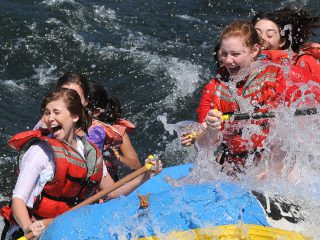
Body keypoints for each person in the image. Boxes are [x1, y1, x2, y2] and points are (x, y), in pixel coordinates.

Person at [1, 89, 162, 239]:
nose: (50, 118)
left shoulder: (90, 153)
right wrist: (28, 227)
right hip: (31, 230)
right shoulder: (39, 151)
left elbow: (112, 192)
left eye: (56, 112)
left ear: (75, 116)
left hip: (67, 229)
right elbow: (18, 199)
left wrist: (146, 174)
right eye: (47, 113)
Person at [193, 21, 319, 174]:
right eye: (224, 54)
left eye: (235, 54)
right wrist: (211, 130)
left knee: (280, 143)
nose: (228, 61)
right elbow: (204, 145)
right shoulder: (214, 89)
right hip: (235, 163)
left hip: (277, 162)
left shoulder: (280, 74)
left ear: (254, 50)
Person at [87, 81, 141, 181]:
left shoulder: (114, 130)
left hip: (108, 187)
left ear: (96, 112)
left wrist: (117, 158)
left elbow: (137, 165)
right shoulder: (65, 128)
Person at [252, 4, 320, 82]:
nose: (262, 38)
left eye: (269, 35)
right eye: (257, 33)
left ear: (282, 42)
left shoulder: (301, 62)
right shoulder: (240, 58)